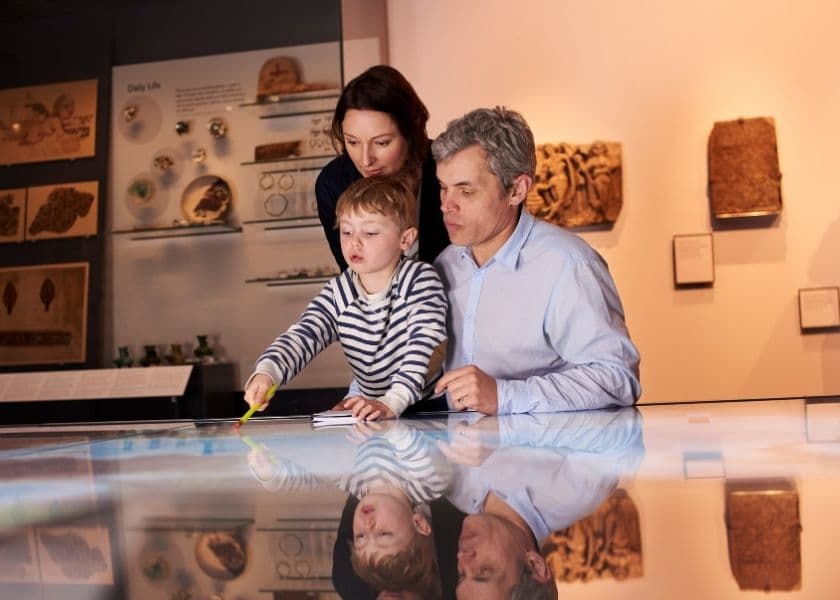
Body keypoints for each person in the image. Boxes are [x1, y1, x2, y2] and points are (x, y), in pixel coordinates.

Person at [431, 106, 641, 415]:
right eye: (443, 188)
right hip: (454, 457)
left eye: (466, 191)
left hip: (545, 459)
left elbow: (617, 377)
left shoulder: (569, 264)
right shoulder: (442, 266)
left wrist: (504, 395)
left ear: (517, 189)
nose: (447, 206)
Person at [244, 176, 447, 420]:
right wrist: (267, 373)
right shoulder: (338, 292)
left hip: (428, 408)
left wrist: (393, 401)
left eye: (370, 232)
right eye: (347, 230)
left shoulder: (420, 280)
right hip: (373, 409)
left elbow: (425, 343)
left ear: (405, 239)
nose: (354, 242)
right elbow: (304, 335)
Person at [441, 408, 644, 599]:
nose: (462, 556)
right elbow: (611, 400)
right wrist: (503, 414)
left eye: (461, 574)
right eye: (483, 571)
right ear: (534, 565)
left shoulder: (451, 489)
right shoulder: (580, 489)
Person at [316, 65, 449, 272]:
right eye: (352, 142)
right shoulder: (334, 183)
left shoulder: (447, 168)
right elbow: (355, 272)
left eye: (382, 143)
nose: (365, 160)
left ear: (411, 132)